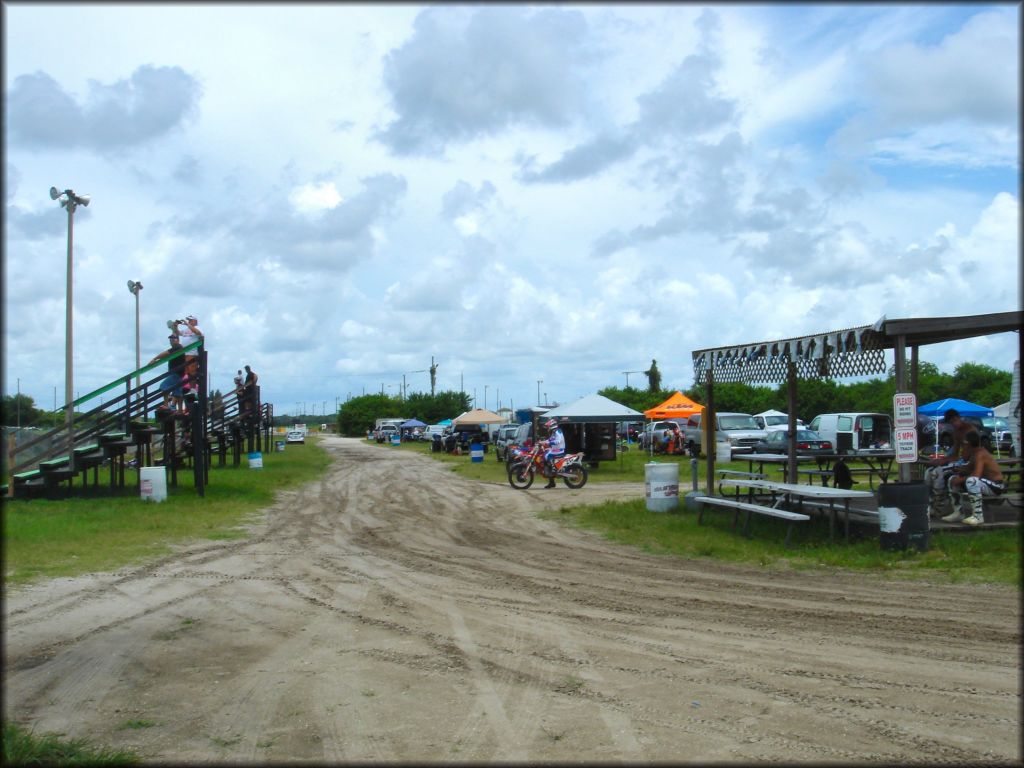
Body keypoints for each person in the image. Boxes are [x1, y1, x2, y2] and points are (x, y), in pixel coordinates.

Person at [923, 409, 979, 519]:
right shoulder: (956, 432)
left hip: (969, 462)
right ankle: (933, 504)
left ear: (958, 418)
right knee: (928, 472)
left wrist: (947, 462)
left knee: (937, 473)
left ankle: (945, 507)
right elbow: (955, 454)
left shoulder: (970, 430)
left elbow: (970, 454)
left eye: (954, 421)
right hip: (961, 461)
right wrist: (941, 460)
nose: (953, 424)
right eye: (951, 422)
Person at [945, 431, 1005, 525]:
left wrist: (960, 479)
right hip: (984, 483)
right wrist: (958, 471)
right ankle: (958, 512)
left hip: (996, 486)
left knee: (971, 481)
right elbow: (969, 469)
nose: (962, 447)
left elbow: (976, 474)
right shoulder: (974, 453)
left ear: (968, 444)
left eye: (964, 444)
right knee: (951, 479)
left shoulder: (980, 454)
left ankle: (978, 516)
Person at [149, 334, 186, 412]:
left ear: (178, 340)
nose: (172, 341)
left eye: (174, 339)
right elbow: (166, 354)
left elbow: (166, 353)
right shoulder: (176, 348)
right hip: (179, 373)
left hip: (176, 373)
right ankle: (178, 410)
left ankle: (167, 405)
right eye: (171, 339)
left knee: (164, 386)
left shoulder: (178, 347)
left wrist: (155, 359)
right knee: (177, 392)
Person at [541, 417, 565, 489]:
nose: (547, 428)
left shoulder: (557, 432)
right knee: (545, 454)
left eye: (548, 426)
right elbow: (550, 439)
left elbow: (557, 441)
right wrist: (543, 442)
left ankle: (553, 470)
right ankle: (551, 481)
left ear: (552, 426)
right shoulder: (554, 432)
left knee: (547, 456)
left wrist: (549, 443)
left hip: (559, 450)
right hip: (555, 449)